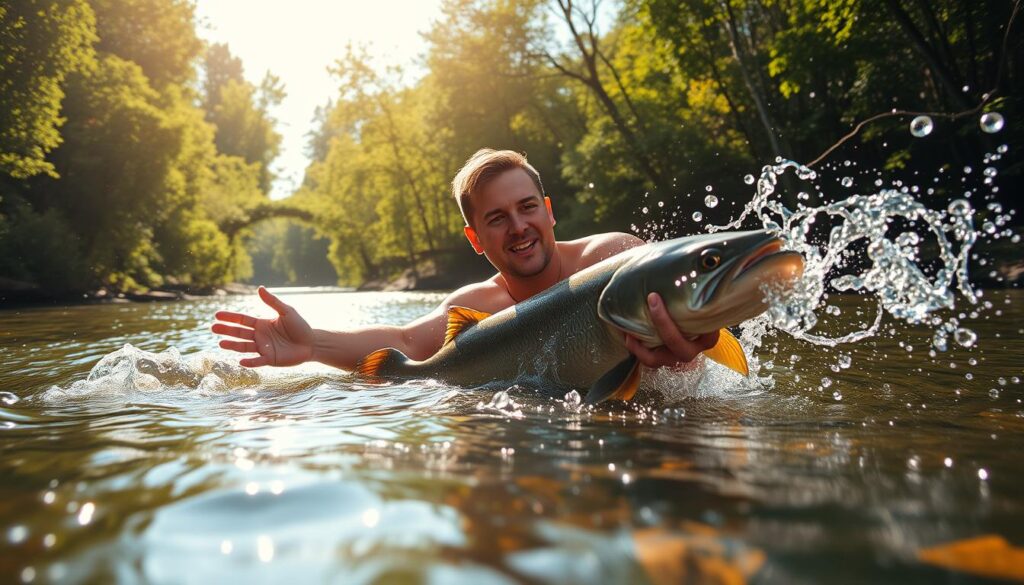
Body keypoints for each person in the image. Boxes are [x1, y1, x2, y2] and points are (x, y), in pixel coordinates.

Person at [212, 149, 719, 373]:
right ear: (475, 239)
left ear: (548, 212)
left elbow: (699, 303)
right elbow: (408, 343)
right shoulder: (476, 306)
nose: (518, 227)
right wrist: (312, 343)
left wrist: (702, 341)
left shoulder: (616, 255)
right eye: (497, 219)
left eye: (526, 209)